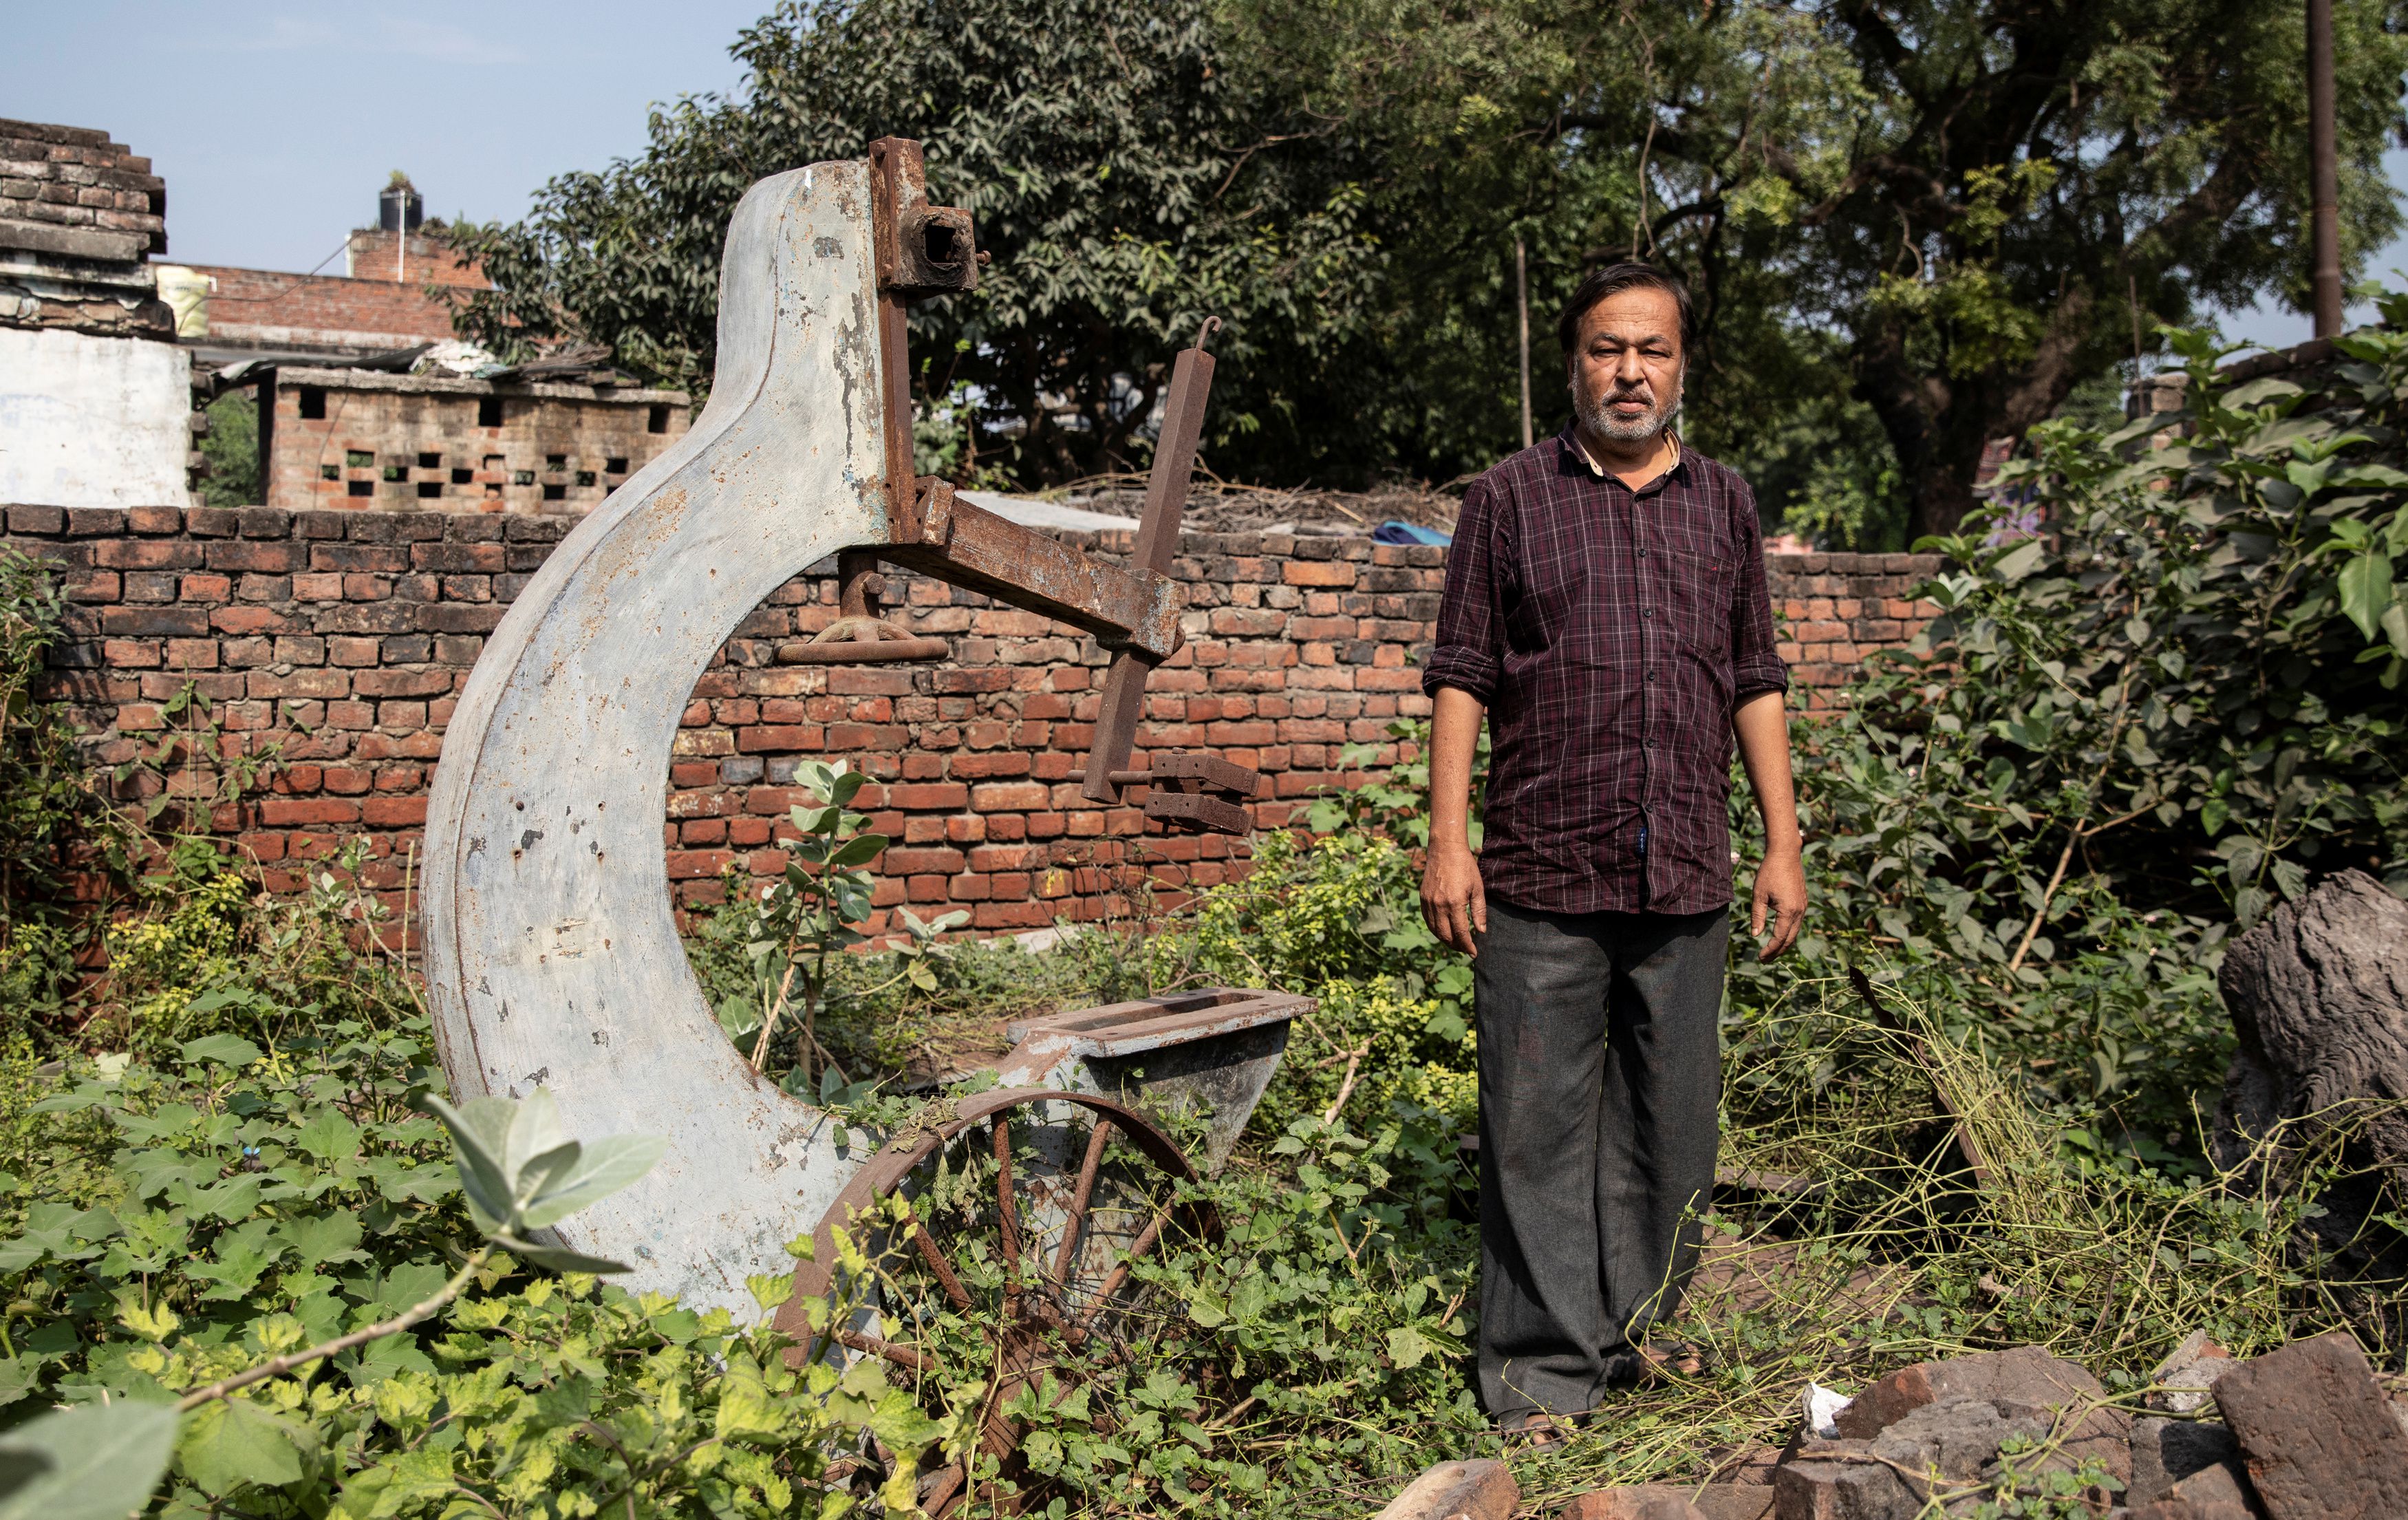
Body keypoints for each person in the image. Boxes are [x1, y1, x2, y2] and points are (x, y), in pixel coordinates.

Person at [1418, 262, 1807, 1440]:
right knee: (1534, 1123)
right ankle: (1540, 1377)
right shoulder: (1509, 497)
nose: (1629, 371)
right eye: (1605, 348)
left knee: (1670, 1121)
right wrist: (1448, 839)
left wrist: (1783, 842)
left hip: (1686, 866)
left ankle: (1641, 1335)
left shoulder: (1725, 502)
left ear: (1684, 366)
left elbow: (1754, 677)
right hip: (1541, 862)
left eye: (1652, 349)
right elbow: (1463, 673)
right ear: (1573, 361)